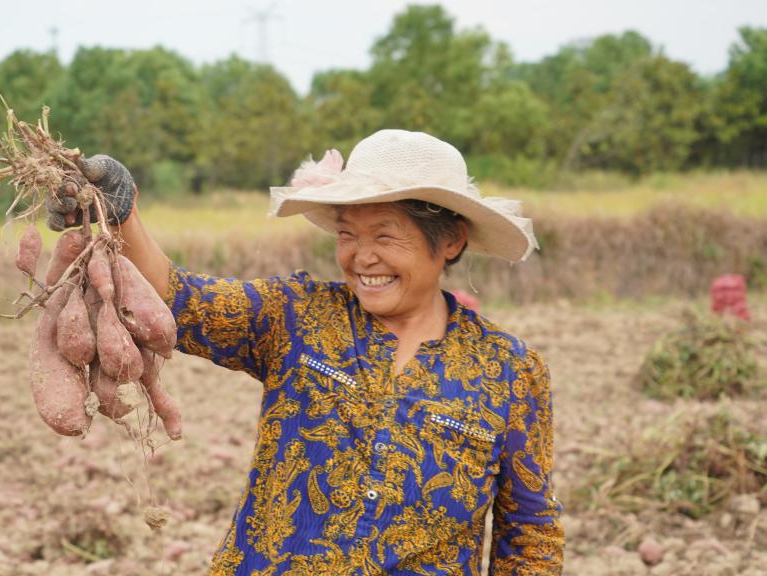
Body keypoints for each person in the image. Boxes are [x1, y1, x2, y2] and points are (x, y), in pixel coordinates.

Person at [50, 129, 564, 575]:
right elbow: (181, 299)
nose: (363, 258)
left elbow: (529, 538)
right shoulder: (296, 317)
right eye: (348, 235)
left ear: (450, 242)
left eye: (385, 237)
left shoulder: (509, 372)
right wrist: (121, 210)